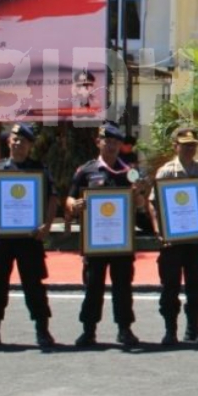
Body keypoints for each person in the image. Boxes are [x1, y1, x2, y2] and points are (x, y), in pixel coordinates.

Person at [67, 121, 147, 348]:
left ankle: (125, 329)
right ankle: (88, 330)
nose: (111, 146)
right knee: (93, 287)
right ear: (98, 142)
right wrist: (75, 205)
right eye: (107, 141)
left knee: (123, 287)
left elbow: (139, 203)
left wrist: (139, 192)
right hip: (96, 242)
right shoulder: (86, 171)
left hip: (121, 241)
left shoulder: (129, 172)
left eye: (115, 142)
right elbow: (70, 198)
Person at [0, 122, 58, 349]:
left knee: (34, 287)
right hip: (2, 240)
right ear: (8, 141)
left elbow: (53, 198)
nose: (18, 143)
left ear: (30, 145)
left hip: (30, 239)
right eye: (14, 138)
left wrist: (47, 225)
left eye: (23, 140)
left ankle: (42, 331)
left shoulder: (39, 170)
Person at [147, 126, 198, 346]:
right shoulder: (166, 172)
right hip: (172, 241)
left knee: (197, 286)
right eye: (185, 146)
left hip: (195, 241)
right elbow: (153, 203)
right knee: (170, 286)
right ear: (175, 147)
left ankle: (192, 328)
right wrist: (158, 228)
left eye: (193, 146)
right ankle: (170, 331)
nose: (189, 149)